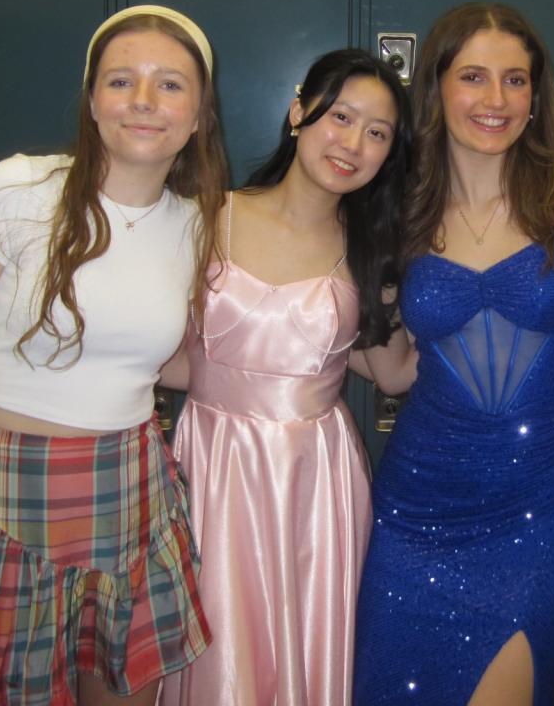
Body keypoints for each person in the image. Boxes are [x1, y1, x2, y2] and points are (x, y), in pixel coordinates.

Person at [0, 5, 229, 705]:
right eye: (121, 81)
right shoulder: (17, 189)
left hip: (131, 491)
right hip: (9, 493)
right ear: (93, 101)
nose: (143, 100)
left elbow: (168, 362)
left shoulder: (197, 225)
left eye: (169, 85)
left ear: (198, 116)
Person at [352, 2, 554, 706]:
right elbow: (395, 367)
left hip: (545, 512)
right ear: (436, 88)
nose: (495, 99)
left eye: (515, 80)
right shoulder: (398, 211)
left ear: (536, 95)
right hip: (417, 510)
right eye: (472, 76)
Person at [161, 49, 416, 706]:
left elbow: (392, 372)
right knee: (213, 641)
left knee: (302, 644)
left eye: (377, 132)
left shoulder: (373, 251)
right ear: (299, 112)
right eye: (340, 117)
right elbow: (164, 353)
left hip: (314, 477)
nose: (353, 144)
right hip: (210, 463)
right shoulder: (206, 216)